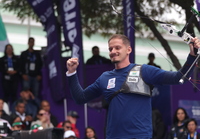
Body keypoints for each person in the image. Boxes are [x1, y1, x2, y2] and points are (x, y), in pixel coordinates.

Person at [66, 34, 200, 139]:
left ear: (128, 49)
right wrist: (72, 73)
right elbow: (80, 98)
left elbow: (178, 78)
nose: (113, 51)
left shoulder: (144, 70)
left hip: (140, 136)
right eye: (110, 49)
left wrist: (192, 55)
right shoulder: (104, 77)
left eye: (117, 47)